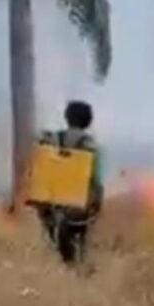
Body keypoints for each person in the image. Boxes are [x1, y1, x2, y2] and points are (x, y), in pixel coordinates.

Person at [41, 100, 104, 264]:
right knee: (80, 240)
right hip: (78, 205)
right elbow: (95, 179)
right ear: (88, 121)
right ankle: (77, 269)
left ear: (67, 117)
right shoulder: (90, 145)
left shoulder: (53, 139)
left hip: (51, 201)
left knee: (55, 241)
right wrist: (97, 203)